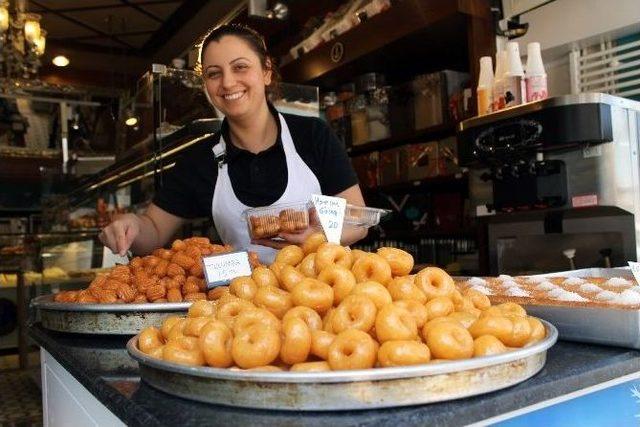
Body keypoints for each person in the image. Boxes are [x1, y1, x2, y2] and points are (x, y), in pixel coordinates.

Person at [100, 24, 367, 263]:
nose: (228, 82)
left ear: (266, 72)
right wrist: (131, 225)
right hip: (241, 303)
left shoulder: (312, 135)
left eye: (240, 67)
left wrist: (317, 237)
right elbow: (155, 231)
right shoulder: (198, 161)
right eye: (214, 74)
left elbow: (358, 221)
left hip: (318, 301)